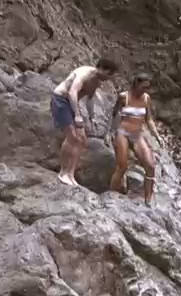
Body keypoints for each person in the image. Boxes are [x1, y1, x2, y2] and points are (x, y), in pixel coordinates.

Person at [51, 58, 119, 186]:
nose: (109, 78)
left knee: (82, 139)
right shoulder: (84, 73)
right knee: (72, 136)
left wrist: (92, 116)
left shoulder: (97, 81)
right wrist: (77, 115)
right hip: (61, 100)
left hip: (72, 104)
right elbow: (72, 93)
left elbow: (90, 98)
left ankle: (70, 174)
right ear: (101, 68)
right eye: (109, 74)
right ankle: (63, 172)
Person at [109, 73, 161, 205]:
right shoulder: (124, 96)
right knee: (122, 166)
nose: (145, 90)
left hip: (137, 134)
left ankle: (148, 200)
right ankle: (111, 195)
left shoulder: (146, 98)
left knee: (150, 166)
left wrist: (157, 136)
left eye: (147, 88)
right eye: (143, 87)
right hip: (123, 132)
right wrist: (110, 133)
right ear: (136, 84)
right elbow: (114, 114)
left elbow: (148, 119)